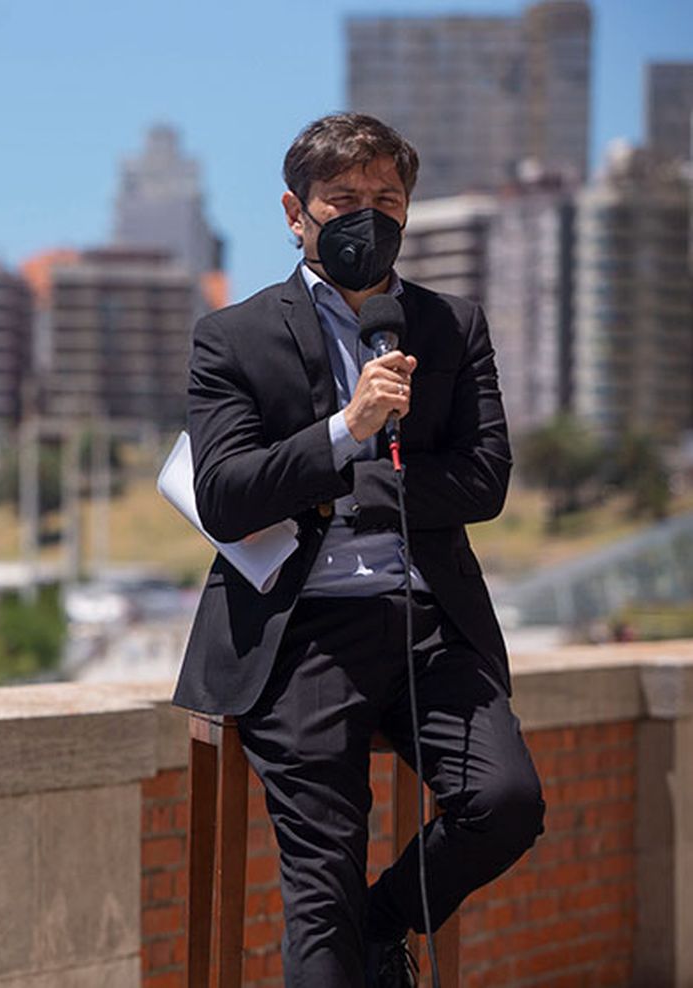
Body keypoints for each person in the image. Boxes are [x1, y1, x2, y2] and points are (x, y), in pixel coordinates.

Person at [173, 113, 545, 987]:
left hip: (431, 623)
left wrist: (362, 487)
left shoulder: (451, 324)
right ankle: (350, 929)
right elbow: (225, 496)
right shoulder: (232, 336)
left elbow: (485, 481)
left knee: (507, 804)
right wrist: (347, 431)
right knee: (318, 891)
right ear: (295, 214)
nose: (366, 217)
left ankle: (385, 923)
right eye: (343, 200)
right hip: (299, 633)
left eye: (387, 199)